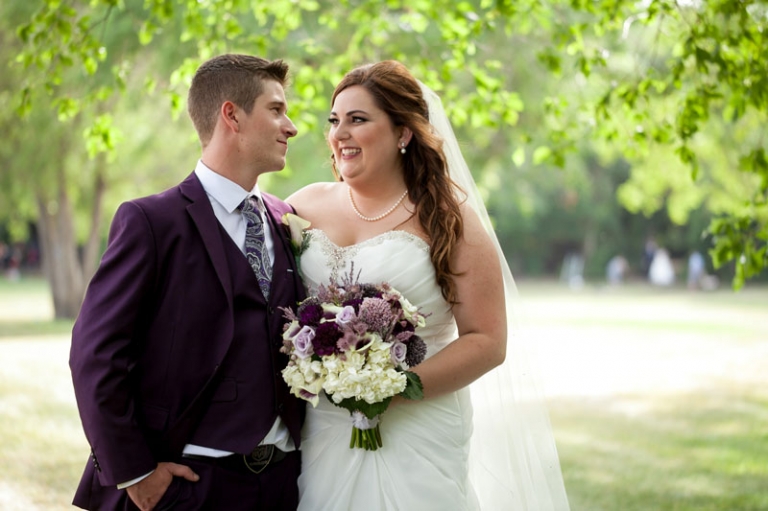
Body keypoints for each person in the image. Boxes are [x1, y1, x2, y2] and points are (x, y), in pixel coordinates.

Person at [287, 61, 569, 510]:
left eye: (358, 120)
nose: (339, 133)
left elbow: (488, 341)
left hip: (419, 425)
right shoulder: (302, 206)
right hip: (326, 427)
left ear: (403, 133)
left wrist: (390, 388)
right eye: (334, 120)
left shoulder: (449, 220)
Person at [69, 54, 306, 510]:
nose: (291, 126)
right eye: (276, 109)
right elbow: (95, 355)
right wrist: (136, 473)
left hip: (284, 486)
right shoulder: (151, 222)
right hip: (188, 487)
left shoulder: (287, 219)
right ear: (231, 115)